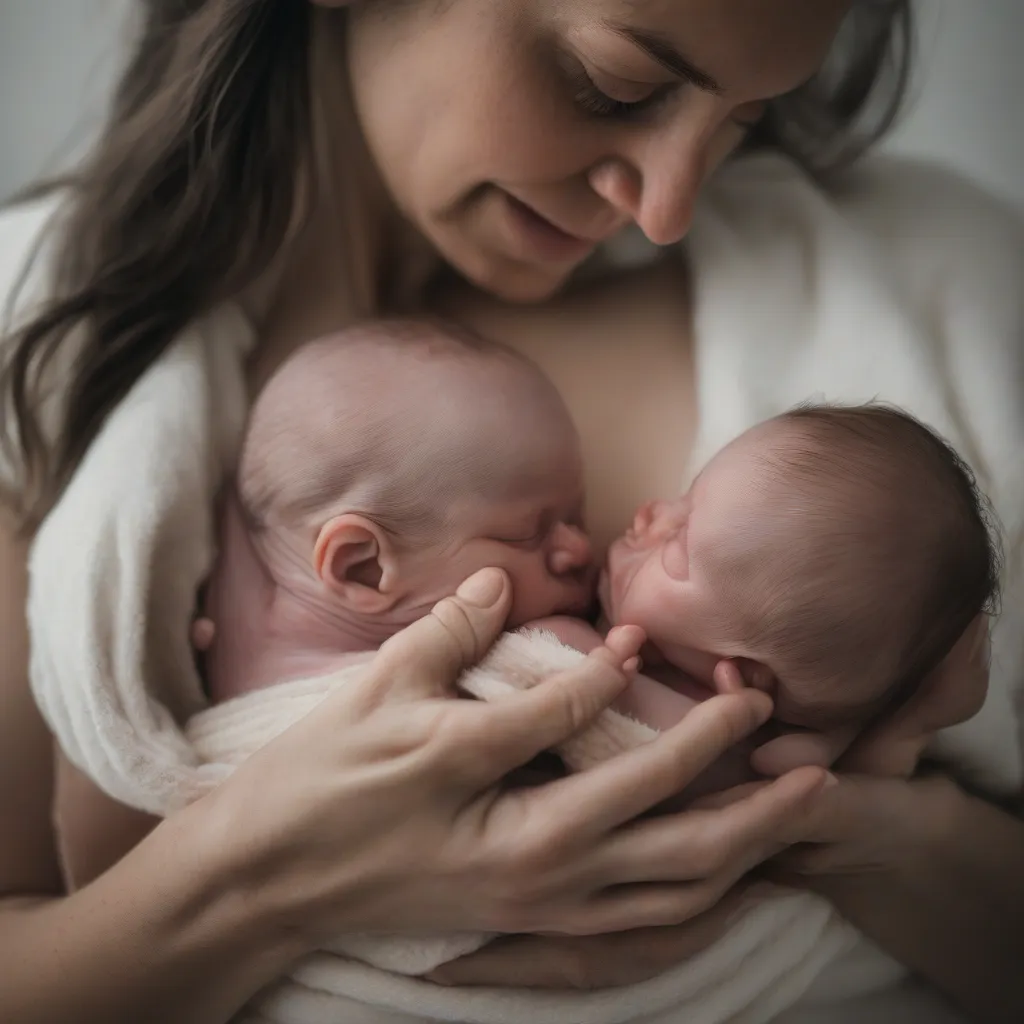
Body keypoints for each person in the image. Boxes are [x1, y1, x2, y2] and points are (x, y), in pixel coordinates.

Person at [0, 3, 1020, 1024]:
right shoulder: (35, 353)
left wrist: (879, 840)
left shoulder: (943, 289)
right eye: (612, 84)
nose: (667, 202)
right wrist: (261, 880)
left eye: (740, 121)